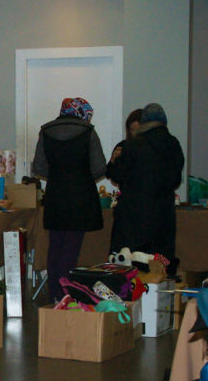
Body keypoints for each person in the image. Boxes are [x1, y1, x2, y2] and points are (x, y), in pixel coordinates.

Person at [31, 97, 106, 303]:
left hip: (55, 195)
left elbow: (38, 167)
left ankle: (56, 292)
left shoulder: (45, 131)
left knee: (55, 247)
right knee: (71, 249)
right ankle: (66, 294)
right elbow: (99, 167)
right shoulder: (88, 132)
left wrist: (58, 172)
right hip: (81, 197)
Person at [106, 102, 185, 273]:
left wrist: (113, 162)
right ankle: (160, 295)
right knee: (160, 260)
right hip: (164, 213)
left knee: (130, 261)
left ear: (143, 123)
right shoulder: (173, 144)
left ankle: (130, 296)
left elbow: (117, 176)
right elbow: (176, 179)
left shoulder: (132, 145)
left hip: (133, 214)